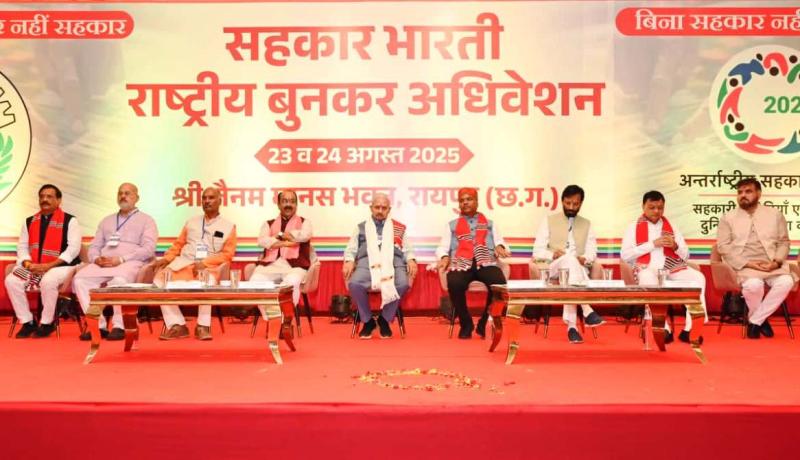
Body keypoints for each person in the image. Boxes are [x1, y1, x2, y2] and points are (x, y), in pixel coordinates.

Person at [73, 183, 158, 341]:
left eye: (127, 193)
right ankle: (97, 326)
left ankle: (120, 325)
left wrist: (121, 259)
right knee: (80, 280)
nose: (123, 196)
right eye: (120, 193)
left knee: (118, 281)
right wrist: (96, 258)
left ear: (137, 198)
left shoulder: (147, 220)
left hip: (129, 262)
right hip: (104, 262)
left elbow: (148, 249)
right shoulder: (107, 221)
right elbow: (95, 246)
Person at [620, 190, 708, 343]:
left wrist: (675, 246)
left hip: (672, 267)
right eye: (652, 207)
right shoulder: (632, 227)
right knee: (648, 280)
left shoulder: (672, 226)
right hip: (647, 268)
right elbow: (626, 255)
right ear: (643, 207)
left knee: (698, 278)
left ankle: (690, 329)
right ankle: (663, 327)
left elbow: (686, 255)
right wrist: (652, 244)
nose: (656, 211)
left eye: (660, 208)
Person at [152, 187, 236, 340]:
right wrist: (167, 258)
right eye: (204, 198)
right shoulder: (191, 222)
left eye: (211, 198)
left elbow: (227, 255)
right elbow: (178, 244)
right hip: (184, 263)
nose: (207, 201)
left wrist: (205, 262)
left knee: (207, 282)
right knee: (159, 281)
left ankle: (203, 326)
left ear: (220, 201)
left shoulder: (228, 226)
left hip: (209, 266)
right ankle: (177, 325)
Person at [716, 178, 795, 339]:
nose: (743, 195)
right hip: (744, 266)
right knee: (753, 285)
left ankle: (755, 320)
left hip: (771, 264)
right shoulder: (728, 217)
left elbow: (784, 242)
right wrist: (748, 263)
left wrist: (776, 262)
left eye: (748, 191)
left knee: (787, 281)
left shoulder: (775, 214)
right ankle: (761, 320)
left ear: (759, 193)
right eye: (740, 192)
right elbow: (723, 247)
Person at [4, 184, 81, 338]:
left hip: (62, 266)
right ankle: (28, 322)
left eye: (49, 196)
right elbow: (22, 247)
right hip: (35, 266)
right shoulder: (29, 221)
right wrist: (28, 264)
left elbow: (73, 250)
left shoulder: (70, 221)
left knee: (48, 280)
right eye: (42, 196)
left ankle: (47, 323)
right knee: (11, 280)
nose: (44, 199)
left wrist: (48, 266)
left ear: (59, 200)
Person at [533, 184, 605, 344]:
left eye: (575, 204)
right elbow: (537, 251)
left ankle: (572, 327)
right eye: (568, 203)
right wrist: (552, 254)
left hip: (577, 269)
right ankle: (586, 309)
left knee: (572, 264)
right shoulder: (548, 221)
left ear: (581, 203)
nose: (571, 207)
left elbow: (592, 251)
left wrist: (585, 258)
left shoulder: (587, 224)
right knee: (568, 259)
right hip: (553, 268)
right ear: (562, 201)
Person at [436, 188, 509, 339]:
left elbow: (501, 242)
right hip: (462, 263)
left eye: (469, 199)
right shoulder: (451, 225)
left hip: (485, 262)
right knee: (454, 282)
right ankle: (466, 324)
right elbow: (442, 247)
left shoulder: (490, 224)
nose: (465, 202)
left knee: (499, 283)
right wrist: (444, 256)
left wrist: (500, 247)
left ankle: (483, 323)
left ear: (476, 202)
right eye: (462, 200)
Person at [343, 193, 416, 339]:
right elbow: (351, 249)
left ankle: (384, 319)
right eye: (377, 207)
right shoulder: (361, 227)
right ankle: (368, 321)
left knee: (403, 283)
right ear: (371, 208)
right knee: (355, 284)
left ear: (389, 209)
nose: (380, 211)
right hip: (368, 262)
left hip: (393, 261)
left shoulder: (398, 228)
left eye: (384, 208)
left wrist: (411, 259)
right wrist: (349, 260)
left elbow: (408, 249)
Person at [251, 190, 312, 320]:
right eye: (284, 201)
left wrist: (279, 237)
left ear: (296, 205)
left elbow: (304, 236)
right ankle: (274, 317)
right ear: (278, 204)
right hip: (271, 265)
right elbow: (262, 241)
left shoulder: (305, 222)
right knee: (255, 282)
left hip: (295, 266)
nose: (288, 205)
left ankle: (285, 321)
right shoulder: (268, 223)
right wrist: (285, 242)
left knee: (291, 283)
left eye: (292, 201)